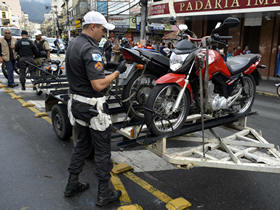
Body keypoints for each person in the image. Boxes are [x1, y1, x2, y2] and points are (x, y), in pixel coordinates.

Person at [64, 11, 127, 207]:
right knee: (102, 152)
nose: (104, 34)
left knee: (82, 145)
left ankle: (71, 184)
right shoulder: (92, 50)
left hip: (77, 105)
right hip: (93, 108)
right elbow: (99, 85)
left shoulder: (73, 44)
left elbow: (82, 70)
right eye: (102, 29)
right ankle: (104, 193)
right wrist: (117, 72)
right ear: (92, 27)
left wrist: (107, 65)